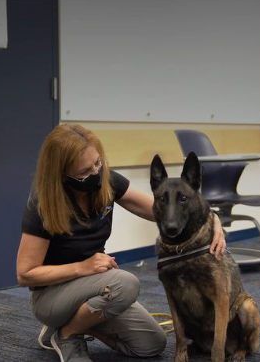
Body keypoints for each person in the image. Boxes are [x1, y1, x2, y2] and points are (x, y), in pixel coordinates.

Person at [16, 124, 227, 362]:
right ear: (62, 173)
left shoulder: (106, 181)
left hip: (95, 288)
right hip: (51, 296)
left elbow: (159, 210)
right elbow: (25, 274)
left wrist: (210, 217)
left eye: (98, 163)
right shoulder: (42, 203)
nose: (95, 173)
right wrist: (81, 267)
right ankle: (66, 334)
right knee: (125, 284)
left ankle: (74, 324)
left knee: (152, 344)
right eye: (85, 171)